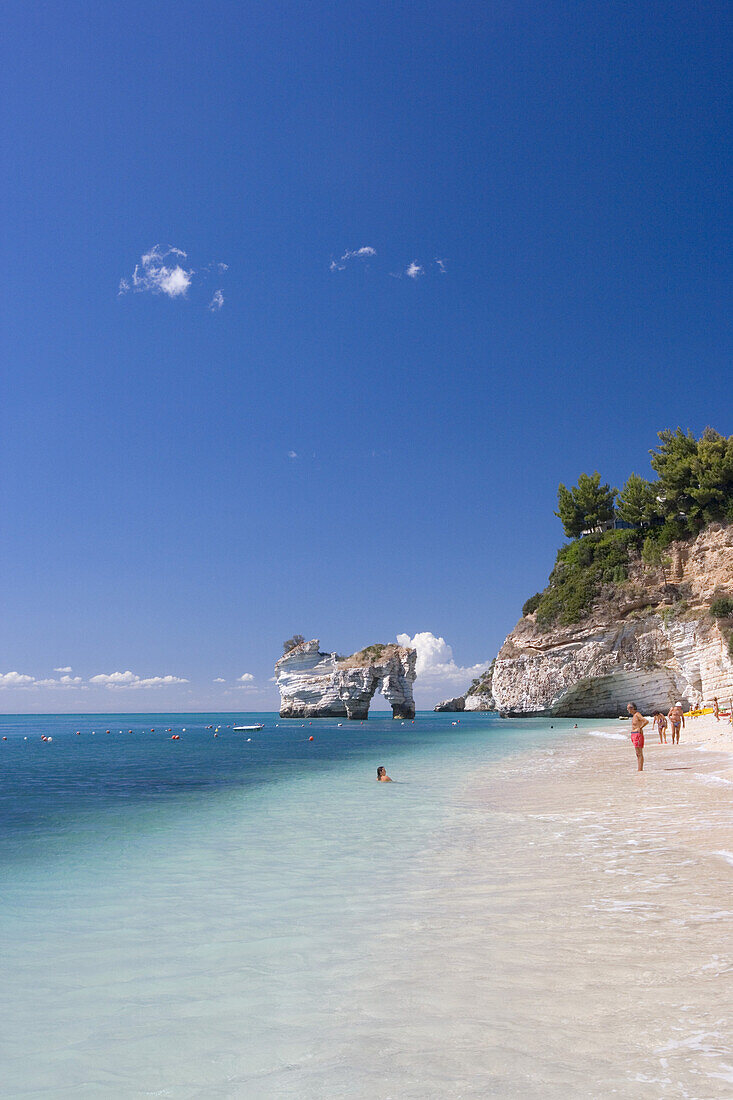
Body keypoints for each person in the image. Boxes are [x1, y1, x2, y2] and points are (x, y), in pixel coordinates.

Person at [627, 703, 648, 771]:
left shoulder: (637, 714)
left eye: (628, 708)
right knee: (637, 753)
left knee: (639, 753)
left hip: (637, 734)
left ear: (632, 708)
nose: (627, 710)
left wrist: (640, 727)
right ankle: (639, 769)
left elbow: (646, 721)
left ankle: (640, 770)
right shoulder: (634, 716)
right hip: (634, 734)